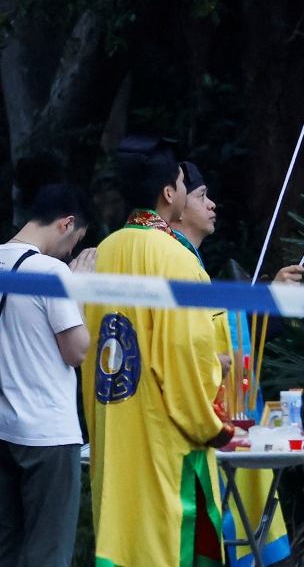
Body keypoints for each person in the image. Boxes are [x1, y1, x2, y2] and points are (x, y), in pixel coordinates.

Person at [82, 135, 233, 567]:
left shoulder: (103, 252)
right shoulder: (176, 258)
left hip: (113, 428)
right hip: (164, 438)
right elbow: (186, 353)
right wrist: (212, 420)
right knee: (169, 544)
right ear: (169, 194)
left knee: (120, 540)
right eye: (184, 184)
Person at [169, 161, 295, 566]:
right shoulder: (169, 259)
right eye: (202, 196)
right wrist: (266, 301)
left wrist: (267, 299)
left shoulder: (191, 262)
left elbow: (220, 326)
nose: (212, 204)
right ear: (174, 200)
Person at [0, 183, 97, 567]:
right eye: (75, 241)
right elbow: (76, 351)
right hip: (47, 432)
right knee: (48, 551)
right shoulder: (50, 271)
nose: (71, 252)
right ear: (66, 224)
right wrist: (79, 289)